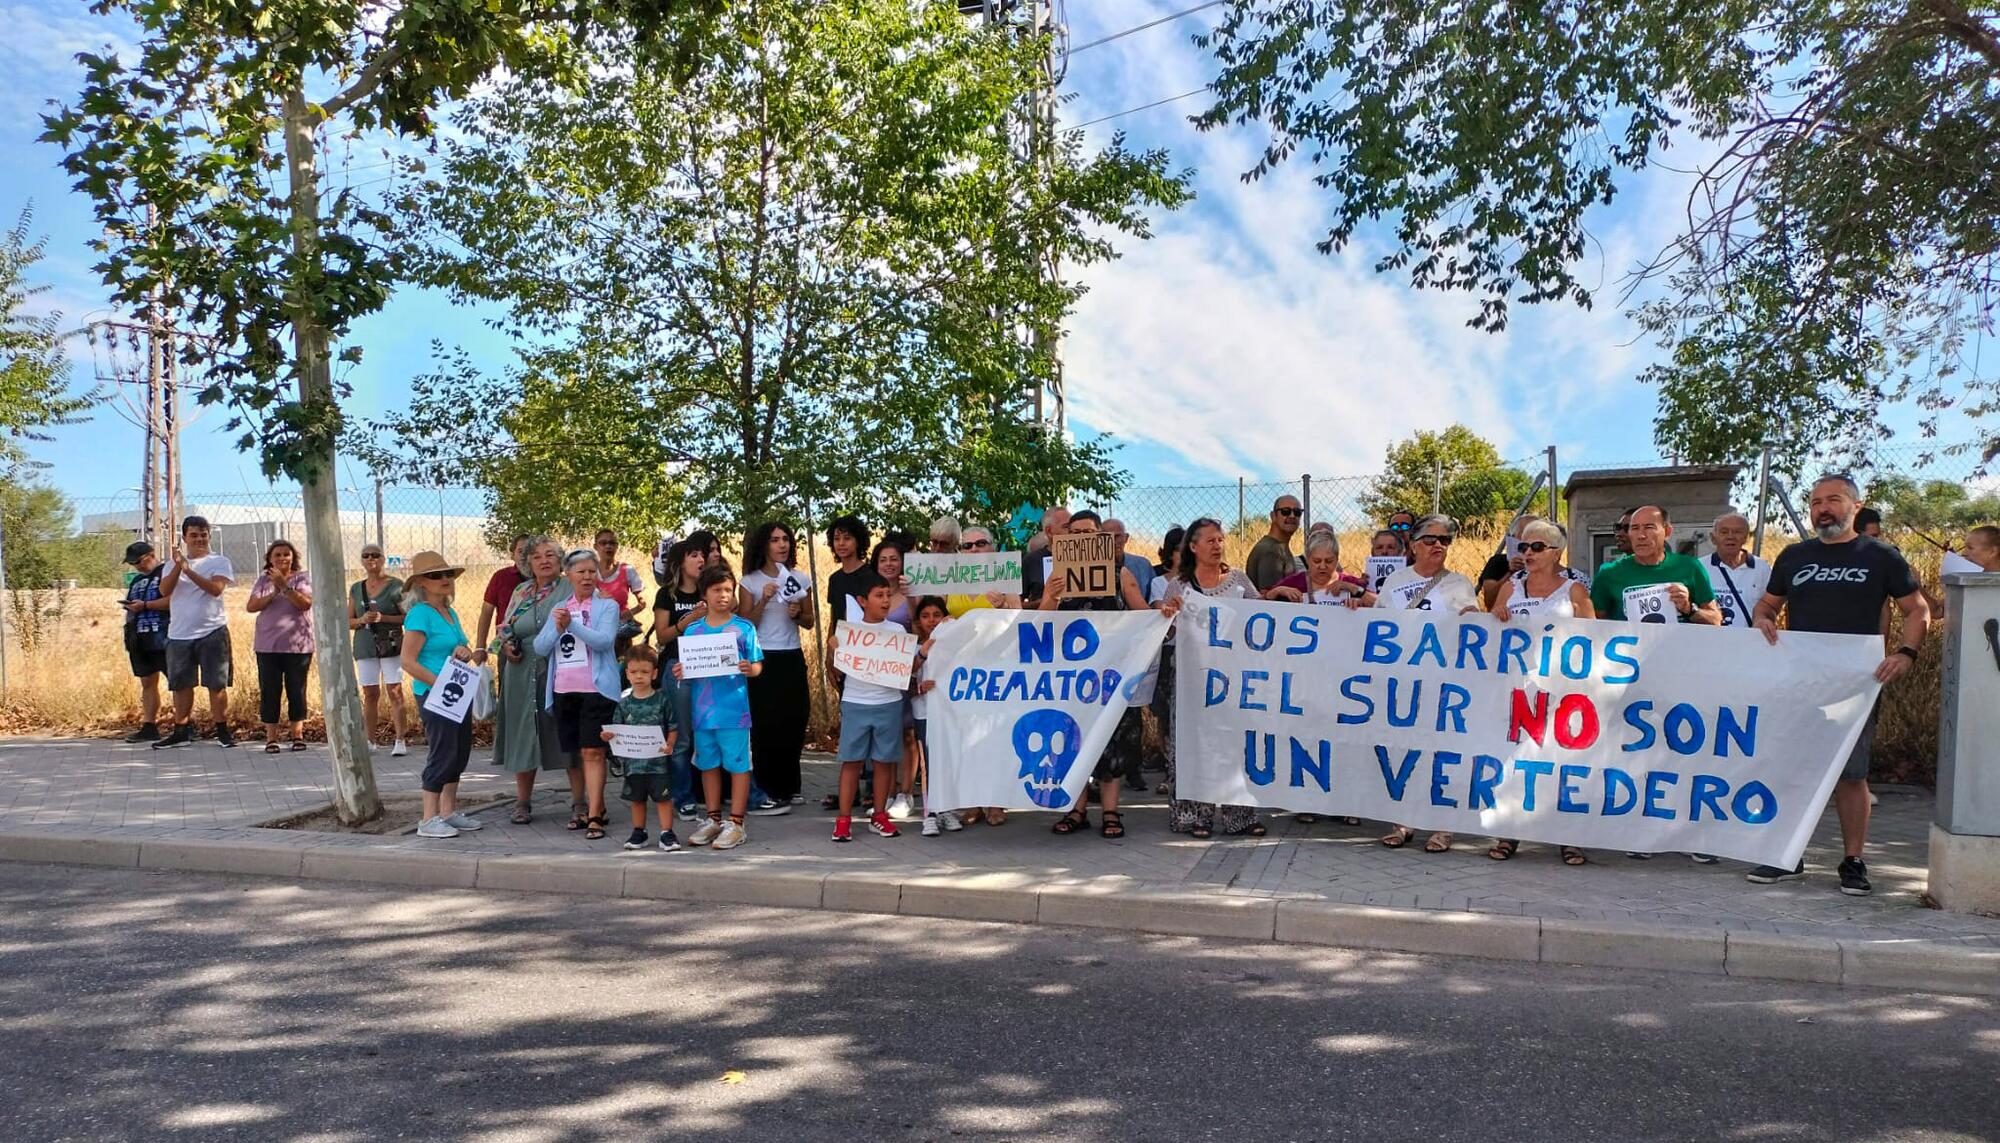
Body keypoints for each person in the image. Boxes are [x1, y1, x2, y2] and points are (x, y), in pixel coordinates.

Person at [1745, 475, 1931, 895]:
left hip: (1856, 684)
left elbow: (1917, 610)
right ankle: (1787, 855)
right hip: (1800, 682)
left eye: (1833, 500)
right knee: (1793, 769)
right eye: (1815, 502)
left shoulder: (1881, 556)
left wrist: (1905, 653)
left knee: (1851, 775)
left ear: (1855, 505)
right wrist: (1763, 619)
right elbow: (1768, 604)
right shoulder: (1794, 556)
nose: (1823, 508)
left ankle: (1853, 861)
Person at [1487, 518, 1596, 866]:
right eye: (1523, 547)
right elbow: (1490, 632)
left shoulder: (1574, 592)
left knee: (1561, 760)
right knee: (1517, 760)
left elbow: (1594, 638)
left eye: (1537, 547)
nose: (1528, 553)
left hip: (1562, 691)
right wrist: (1497, 615)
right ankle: (1510, 831)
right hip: (1518, 690)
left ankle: (1567, 836)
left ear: (1556, 552)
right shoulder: (1511, 589)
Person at [1372, 514, 1480, 852]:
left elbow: (1474, 627)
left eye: (1445, 540)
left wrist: (1474, 620)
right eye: (1432, 539)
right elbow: (1377, 624)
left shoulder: (1459, 584)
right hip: (1404, 681)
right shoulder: (1394, 582)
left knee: (1442, 749)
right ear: (1414, 545)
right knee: (1404, 748)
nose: (1439, 546)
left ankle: (1443, 825)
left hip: (1444, 681)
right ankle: (1403, 820)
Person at [1041, 511, 1149, 840]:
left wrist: (1165, 615)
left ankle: (1111, 811)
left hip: (1110, 678)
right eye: (1075, 533)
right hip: (1072, 678)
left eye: (1089, 532)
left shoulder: (1121, 574)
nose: (1082, 538)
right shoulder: (1057, 575)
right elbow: (1042, 621)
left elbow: (1143, 615)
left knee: (1111, 740)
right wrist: (1052, 595)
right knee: (1072, 739)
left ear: (1101, 536)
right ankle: (1076, 808)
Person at [1158, 517, 1265, 839]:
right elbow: (1167, 635)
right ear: (1193, 546)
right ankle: (1195, 815)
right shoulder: (1179, 586)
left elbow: (1262, 623)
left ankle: (1240, 816)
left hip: (1234, 682)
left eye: (1220, 540)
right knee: (1194, 746)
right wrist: (1167, 615)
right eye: (1210, 540)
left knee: (1234, 746)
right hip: (1192, 682)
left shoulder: (1239, 581)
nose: (1217, 545)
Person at [532, 549, 623, 841]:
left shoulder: (606, 607)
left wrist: (573, 625)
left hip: (596, 689)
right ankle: (591, 806)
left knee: (593, 751)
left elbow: (604, 641)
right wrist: (558, 628)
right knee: (576, 752)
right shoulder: (559, 607)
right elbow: (540, 647)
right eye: (580, 572)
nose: (586, 577)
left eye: (591, 571)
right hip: (564, 689)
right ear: (568, 576)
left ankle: (595, 815)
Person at [674, 563, 764, 850]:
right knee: (708, 764)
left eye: (728, 590)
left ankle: (736, 823)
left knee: (738, 765)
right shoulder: (693, 632)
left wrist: (751, 668)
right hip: (703, 714)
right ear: (705, 594)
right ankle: (713, 819)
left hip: (734, 712)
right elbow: (687, 668)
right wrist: (680, 671)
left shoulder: (743, 628)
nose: (724, 595)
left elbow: (758, 664)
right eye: (717, 590)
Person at [400, 551, 488, 839]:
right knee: (443, 751)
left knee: (459, 751)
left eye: (447, 574)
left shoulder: (449, 613)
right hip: (435, 694)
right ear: (421, 583)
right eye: (436, 576)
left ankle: (448, 812)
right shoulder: (420, 614)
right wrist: (439, 682)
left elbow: (457, 650)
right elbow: (408, 661)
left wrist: (465, 653)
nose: (444, 579)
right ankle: (428, 818)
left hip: (456, 691)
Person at [829, 568, 910, 843]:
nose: (886, 600)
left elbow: (906, 665)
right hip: (855, 703)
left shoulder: (897, 630)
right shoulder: (849, 631)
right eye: (879, 595)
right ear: (863, 600)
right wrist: (833, 651)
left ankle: (879, 815)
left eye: (888, 594)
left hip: (888, 703)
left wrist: (921, 653)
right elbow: (837, 669)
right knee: (851, 761)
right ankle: (843, 820)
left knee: (883, 763)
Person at [739, 521, 814, 814]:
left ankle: (790, 785)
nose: (782, 544)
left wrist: (797, 613)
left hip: (791, 655)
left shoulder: (799, 578)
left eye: (786, 539)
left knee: (794, 719)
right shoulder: (750, 581)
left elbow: (809, 621)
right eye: (775, 540)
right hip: (763, 656)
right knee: (766, 723)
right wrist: (765, 598)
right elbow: (746, 624)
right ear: (764, 545)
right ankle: (767, 787)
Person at [491, 537, 566, 825]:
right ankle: (522, 801)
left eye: (550, 555)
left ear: (560, 560)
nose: (544, 560)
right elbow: (505, 627)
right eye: (537, 557)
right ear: (528, 563)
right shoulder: (522, 591)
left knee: (562, 730)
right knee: (523, 731)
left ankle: (580, 801)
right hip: (520, 669)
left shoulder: (568, 587)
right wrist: (506, 645)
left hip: (559, 665)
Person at [153, 516, 237, 750]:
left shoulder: (219, 561)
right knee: (181, 684)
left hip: (212, 631)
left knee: (216, 684)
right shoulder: (173, 564)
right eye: (194, 535)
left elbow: (215, 589)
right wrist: (179, 566)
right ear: (185, 538)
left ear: (209, 536)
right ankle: (181, 730)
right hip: (179, 633)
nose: (199, 539)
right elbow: (163, 590)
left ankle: (222, 730)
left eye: (203, 534)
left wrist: (189, 571)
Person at [652, 535, 711, 820]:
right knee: (682, 737)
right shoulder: (668, 595)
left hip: (709, 668)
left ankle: (714, 796)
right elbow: (662, 635)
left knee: (710, 733)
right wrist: (682, 624)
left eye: (702, 556)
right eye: (693, 555)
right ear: (680, 562)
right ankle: (682, 796)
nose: (700, 560)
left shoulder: (709, 591)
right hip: (678, 667)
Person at [602, 644, 681, 852]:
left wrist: (670, 744)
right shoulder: (623, 704)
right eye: (634, 672)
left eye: (644, 672)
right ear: (626, 673)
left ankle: (667, 833)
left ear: (654, 673)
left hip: (658, 764)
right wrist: (607, 735)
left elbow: (673, 726)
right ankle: (639, 831)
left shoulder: (663, 699)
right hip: (633, 765)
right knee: (636, 799)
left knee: (663, 799)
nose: (639, 676)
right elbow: (616, 730)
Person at [1589, 506, 1722, 626]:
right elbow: (1593, 625)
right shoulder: (1608, 573)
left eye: (1649, 528)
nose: (1641, 535)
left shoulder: (1690, 567)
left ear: (1668, 532)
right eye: (1634, 528)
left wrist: (1689, 609)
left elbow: (1715, 620)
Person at [246, 539, 314, 752]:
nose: (283, 558)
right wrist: (274, 591)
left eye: (287, 554)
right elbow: (251, 606)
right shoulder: (263, 581)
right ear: (270, 559)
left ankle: (297, 734)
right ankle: (271, 738)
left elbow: (305, 603)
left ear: (293, 557)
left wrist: (285, 587)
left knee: (296, 690)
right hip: (268, 645)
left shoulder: (302, 578)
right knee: (270, 691)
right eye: (278, 555)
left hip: (297, 646)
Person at [348, 543, 408, 756]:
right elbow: (348, 620)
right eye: (366, 555)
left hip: (390, 644)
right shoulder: (356, 588)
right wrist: (361, 620)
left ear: (383, 559)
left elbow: (408, 616)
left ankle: (400, 739)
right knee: (370, 693)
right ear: (362, 560)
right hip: (365, 645)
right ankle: (370, 740)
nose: (371, 558)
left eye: (376, 555)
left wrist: (385, 618)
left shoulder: (396, 586)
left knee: (395, 690)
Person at [909, 596, 959, 837]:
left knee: (947, 760)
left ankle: (946, 809)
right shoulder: (913, 646)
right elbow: (905, 677)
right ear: (918, 620)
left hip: (948, 714)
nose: (931, 620)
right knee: (928, 764)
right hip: (924, 713)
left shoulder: (952, 645)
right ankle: (929, 814)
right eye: (925, 616)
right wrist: (923, 653)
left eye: (936, 615)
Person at [121, 541, 172, 742]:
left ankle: (184, 724)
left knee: (177, 683)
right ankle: (149, 726)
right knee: (147, 682)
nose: (138, 567)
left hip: (165, 634)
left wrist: (146, 605)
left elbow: (174, 600)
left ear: (151, 555)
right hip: (141, 638)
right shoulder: (136, 581)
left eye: (140, 561)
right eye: (134, 564)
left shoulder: (166, 574)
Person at [1268, 527, 1370, 606]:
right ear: (1308, 559)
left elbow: (1381, 604)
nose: (1322, 566)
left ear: (1337, 559)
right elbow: (1258, 603)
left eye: (1329, 561)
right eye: (1316, 561)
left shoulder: (1348, 581)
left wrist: (1357, 595)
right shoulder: (1295, 582)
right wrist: (1278, 591)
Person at [1703, 512, 1771, 629]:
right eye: (1724, 532)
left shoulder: (1762, 568)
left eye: (1737, 532)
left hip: (1748, 643)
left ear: (1746, 538)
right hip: (1710, 642)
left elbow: (1770, 607)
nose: (1730, 536)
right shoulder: (1699, 567)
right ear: (1713, 538)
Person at [591, 528, 647, 649]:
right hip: (595, 630)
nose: (608, 546)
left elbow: (642, 602)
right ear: (595, 546)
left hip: (621, 633)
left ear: (617, 546)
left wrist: (630, 613)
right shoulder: (589, 571)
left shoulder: (627, 570)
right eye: (603, 543)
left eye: (612, 543)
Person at [475, 535, 532, 652]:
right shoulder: (501, 577)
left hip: (536, 642)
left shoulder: (544, 578)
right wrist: (480, 647)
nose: (524, 556)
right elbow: (486, 612)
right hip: (506, 643)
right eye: (520, 551)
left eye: (529, 551)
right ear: (512, 555)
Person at [1478, 515, 1541, 609]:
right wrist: (1510, 573)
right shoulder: (1498, 562)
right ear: (1514, 537)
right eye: (1525, 534)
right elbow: (1489, 603)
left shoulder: (1546, 564)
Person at [1245, 494, 1304, 593]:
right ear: (1273, 516)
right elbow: (1269, 597)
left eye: (1297, 512)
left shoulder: (1280, 547)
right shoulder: (1271, 550)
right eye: (1285, 511)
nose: (1292, 516)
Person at [1104, 517, 1156, 602]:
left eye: (1117, 536)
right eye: (1107, 537)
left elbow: (1153, 600)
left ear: (1126, 537)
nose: (1113, 542)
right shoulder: (1092, 567)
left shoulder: (1143, 565)